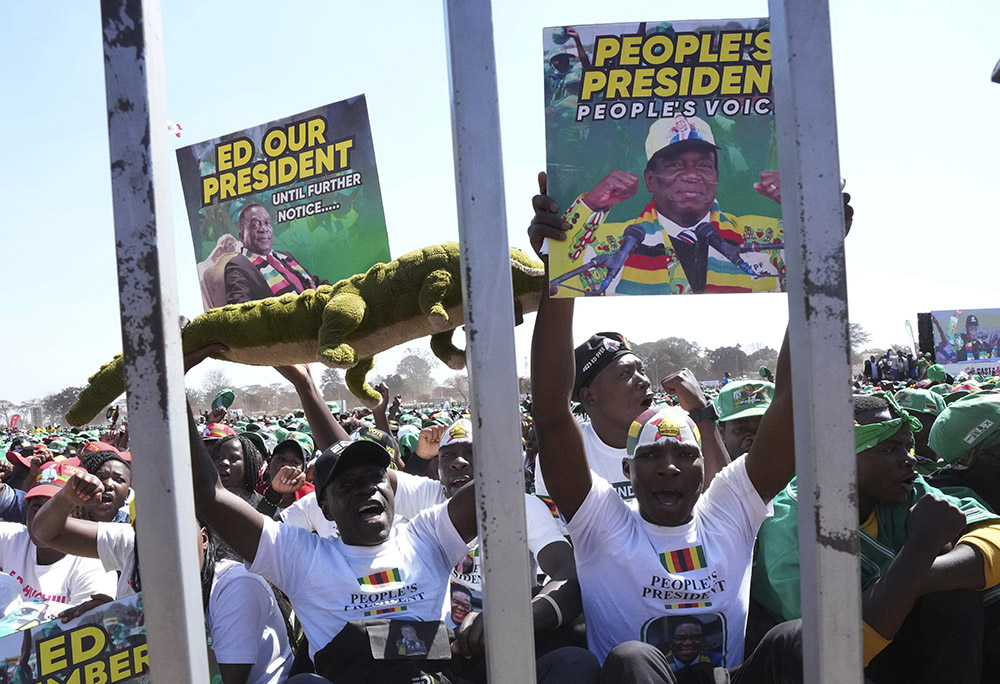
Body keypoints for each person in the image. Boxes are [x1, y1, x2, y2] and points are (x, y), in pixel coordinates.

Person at [529, 172, 801, 680]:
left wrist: (818, 258)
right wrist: (560, 272)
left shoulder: (731, 510)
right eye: (652, 456)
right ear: (628, 470)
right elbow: (551, 415)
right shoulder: (603, 524)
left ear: (707, 468)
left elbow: (789, 403)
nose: (669, 467)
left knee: (798, 640)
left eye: (685, 456)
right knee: (633, 659)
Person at [752, 393, 1000, 684]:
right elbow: (840, 648)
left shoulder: (902, 486)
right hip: (818, 665)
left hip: (894, 636)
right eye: (889, 449)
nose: (909, 460)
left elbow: (992, 533)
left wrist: (912, 578)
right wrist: (921, 547)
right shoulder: (795, 531)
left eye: (907, 446)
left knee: (957, 590)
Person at [32, 470, 293, 684]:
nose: (166, 549)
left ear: (203, 539)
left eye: (178, 534)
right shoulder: (131, 545)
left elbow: (217, 679)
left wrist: (129, 629)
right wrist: (67, 497)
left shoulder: (236, 587)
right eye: (152, 536)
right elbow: (45, 533)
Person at [554, 115, 784, 295]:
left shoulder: (769, 237)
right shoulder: (609, 245)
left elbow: (813, 269)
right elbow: (559, 277)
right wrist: (590, 205)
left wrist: (800, 205)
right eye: (675, 165)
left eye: (703, 166)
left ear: (716, 175)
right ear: (650, 179)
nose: (692, 175)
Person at [224, 203, 328, 304]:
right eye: (255, 224)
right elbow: (240, 308)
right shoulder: (237, 265)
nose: (264, 229)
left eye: (267, 223)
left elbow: (314, 282)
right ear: (242, 236)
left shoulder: (285, 256)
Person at [713, 379, 774, 459]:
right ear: (721, 433)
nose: (754, 437)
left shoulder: (792, 465)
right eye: (741, 429)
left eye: (762, 427)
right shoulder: (709, 469)